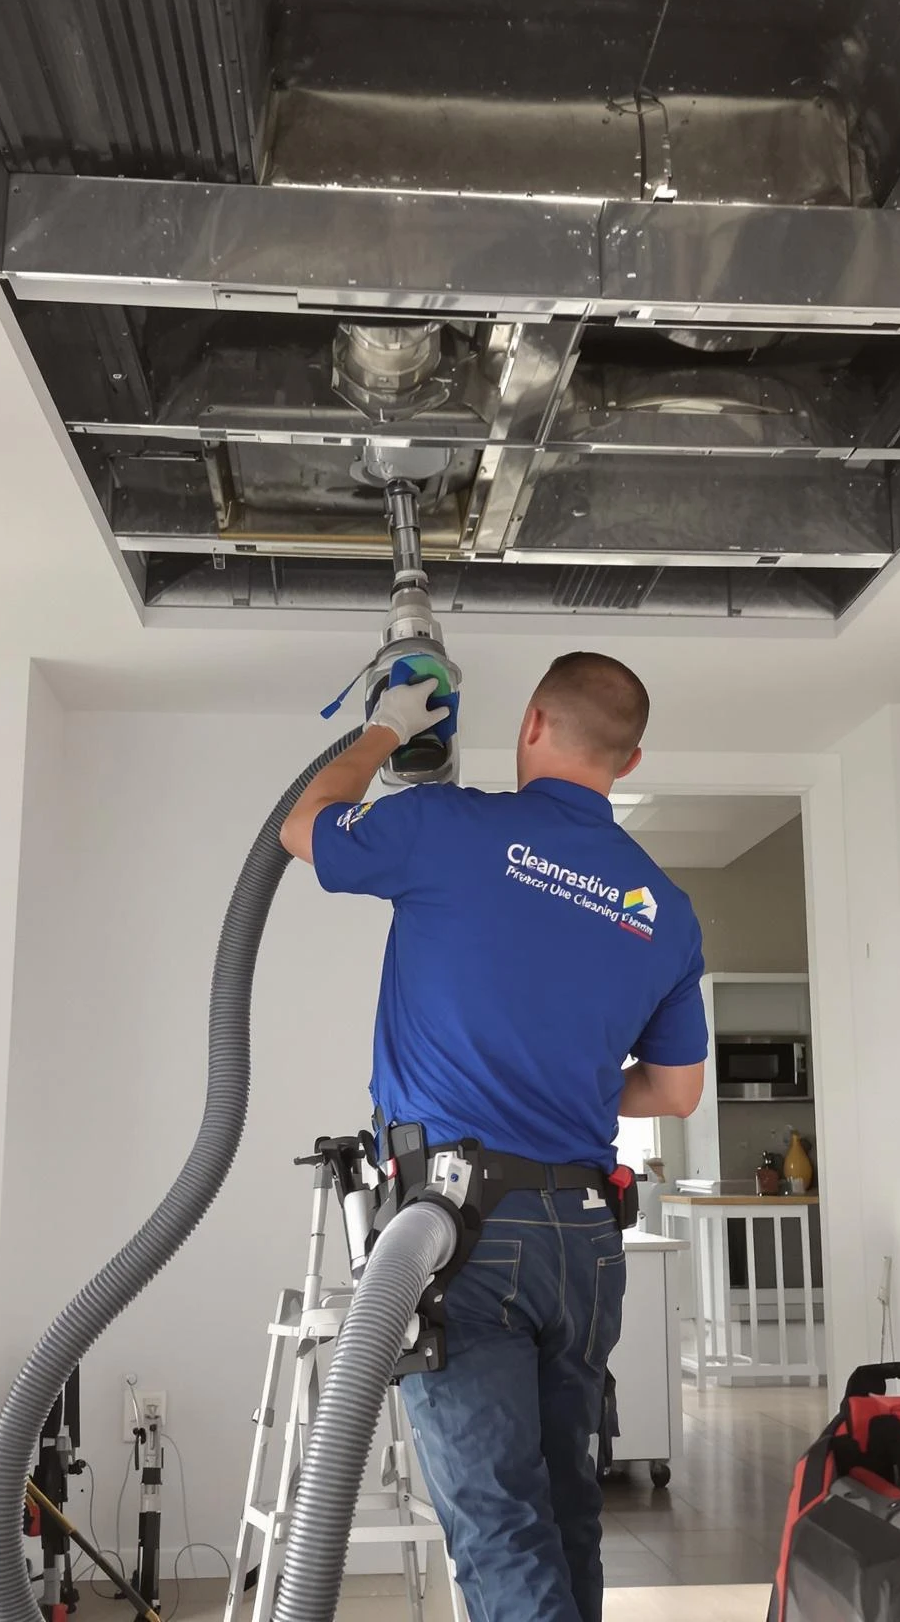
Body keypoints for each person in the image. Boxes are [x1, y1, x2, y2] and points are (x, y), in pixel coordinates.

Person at [281, 651, 709, 1622]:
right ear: (629, 761)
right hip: (585, 1240)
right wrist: (571, 1083)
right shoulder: (663, 910)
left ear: (531, 723)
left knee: (502, 1530)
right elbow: (678, 1093)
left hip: (459, 1231)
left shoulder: (449, 826)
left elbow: (303, 828)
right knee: (566, 1513)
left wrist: (385, 727)